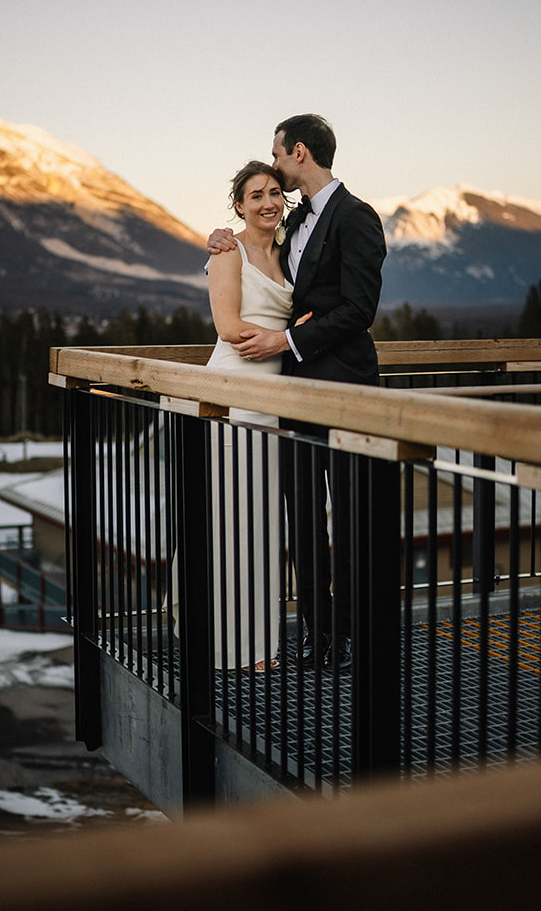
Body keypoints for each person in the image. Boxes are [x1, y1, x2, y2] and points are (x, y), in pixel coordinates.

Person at [208, 114, 387, 673]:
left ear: (299, 153)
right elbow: (246, 262)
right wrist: (221, 239)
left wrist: (287, 337)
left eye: (277, 158)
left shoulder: (356, 217)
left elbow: (359, 309)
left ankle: (355, 638)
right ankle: (316, 632)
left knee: (352, 519)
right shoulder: (293, 224)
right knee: (302, 518)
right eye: (257, 192)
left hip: (344, 388)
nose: (274, 179)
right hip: (288, 393)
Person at [199, 160, 297, 671]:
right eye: (255, 195)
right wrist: (280, 339)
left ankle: (262, 644)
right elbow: (228, 324)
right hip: (235, 391)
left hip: (274, 398)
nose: (267, 202)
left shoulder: (291, 250)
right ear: (238, 205)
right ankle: (229, 648)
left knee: (263, 523)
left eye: (275, 192)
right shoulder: (226, 251)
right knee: (232, 520)